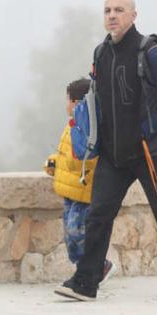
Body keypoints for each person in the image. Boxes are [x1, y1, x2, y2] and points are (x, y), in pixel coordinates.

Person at [54, 0, 157, 301]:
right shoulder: (101, 53)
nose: (112, 16)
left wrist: (144, 131)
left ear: (133, 15)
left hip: (151, 152)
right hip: (112, 154)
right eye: (107, 11)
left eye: (119, 10)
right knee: (98, 215)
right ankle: (85, 282)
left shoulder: (151, 53)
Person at [45, 78, 114, 280]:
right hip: (69, 190)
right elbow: (64, 154)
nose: (66, 105)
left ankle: (96, 267)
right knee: (70, 235)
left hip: (84, 192)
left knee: (77, 232)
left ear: (77, 102)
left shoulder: (91, 129)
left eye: (68, 100)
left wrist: (69, 164)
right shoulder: (72, 126)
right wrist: (53, 163)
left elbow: (84, 159)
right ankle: (86, 270)